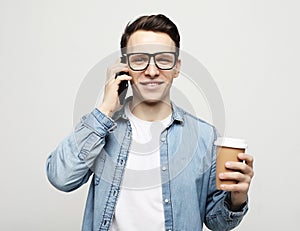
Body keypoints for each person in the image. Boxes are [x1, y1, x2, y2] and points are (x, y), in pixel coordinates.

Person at [46, 14, 254, 231]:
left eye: (164, 59)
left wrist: (236, 198)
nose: (152, 71)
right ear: (125, 67)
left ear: (177, 67)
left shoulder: (204, 136)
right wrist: (105, 109)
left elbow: (217, 223)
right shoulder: (100, 127)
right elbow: (61, 177)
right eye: (139, 60)